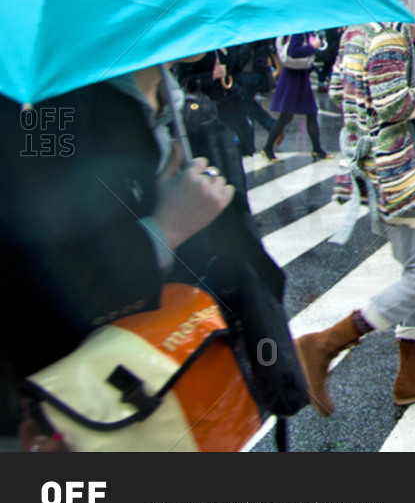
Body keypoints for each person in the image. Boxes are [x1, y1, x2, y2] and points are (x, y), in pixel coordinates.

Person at [0, 63, 290, 449]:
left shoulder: (184, 107)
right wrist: (163, 230)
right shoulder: (47, 112)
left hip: (183, 386)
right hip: (87, 413)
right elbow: (35, 278)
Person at [295, 20, 415, 413]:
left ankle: (414, 374)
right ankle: (325, 343)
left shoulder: (357, 33)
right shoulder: (389, 37)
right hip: (398, 171)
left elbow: (344, 92)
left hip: (382, 169)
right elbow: (391, 105)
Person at [263, 31, 329, 161]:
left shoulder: (305, 32)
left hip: (299, 76)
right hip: (293, 78)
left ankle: (317, 148)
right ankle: (268, 148)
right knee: (286, 116)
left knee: (311, 113)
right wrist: (312, 47)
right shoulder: (298, 32)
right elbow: (294, 52)